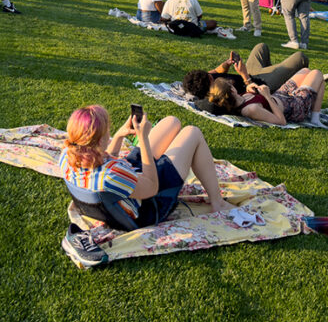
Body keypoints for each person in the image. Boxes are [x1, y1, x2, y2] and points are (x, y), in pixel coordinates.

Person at [59, 106, 232, 261]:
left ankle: (169, 149)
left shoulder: (67, 156)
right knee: (192, 132)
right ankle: (217, 202)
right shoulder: (112, 174)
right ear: (98, 141)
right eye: (107, 131)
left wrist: (119, 134)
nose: (109, 133)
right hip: (150, 204)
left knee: (171, 122)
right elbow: (151, 187)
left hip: (126, 183)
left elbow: (103, 159)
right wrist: (144, 140)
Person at [184, 45, 309, 115]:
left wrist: (226, 65)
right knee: (300, 57)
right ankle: (293, 85)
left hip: (251, 74)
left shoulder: (205, 81)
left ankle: (280, 75)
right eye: (210, 77)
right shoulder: (221, 96)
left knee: (261, 47)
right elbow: (251, 92)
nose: (211, 75)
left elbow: (215, 71)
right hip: (262, 84)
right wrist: (245, 76)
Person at [207, 68, 328, 126]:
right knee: (317, 74)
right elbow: (281, 121)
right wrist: (267, 96)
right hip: (294, 107)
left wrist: (250, 88)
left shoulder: (240, 98)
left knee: (305, 70)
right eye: (231, 85)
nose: (233, 85)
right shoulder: (250, 109)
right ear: (231, 91)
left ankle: (315, 116)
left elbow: (252, 98)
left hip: (281, 95)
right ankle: (315, 120)